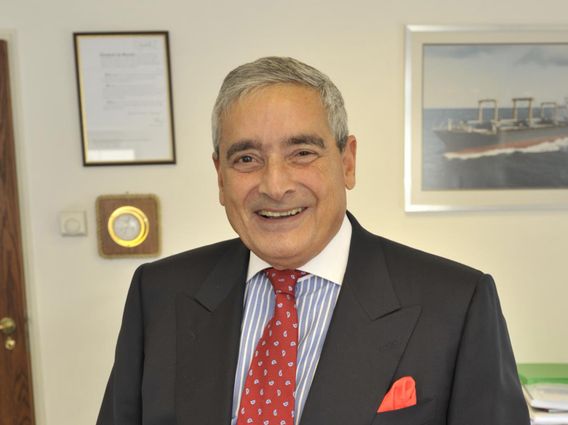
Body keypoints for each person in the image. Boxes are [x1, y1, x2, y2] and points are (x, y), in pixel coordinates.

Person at [97, 56, 529, 425]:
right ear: (220, 177)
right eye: (246, 159)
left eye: (301, 153)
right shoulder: (159, 294)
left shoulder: (457, 303)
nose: (275, 185)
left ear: (347, 162)